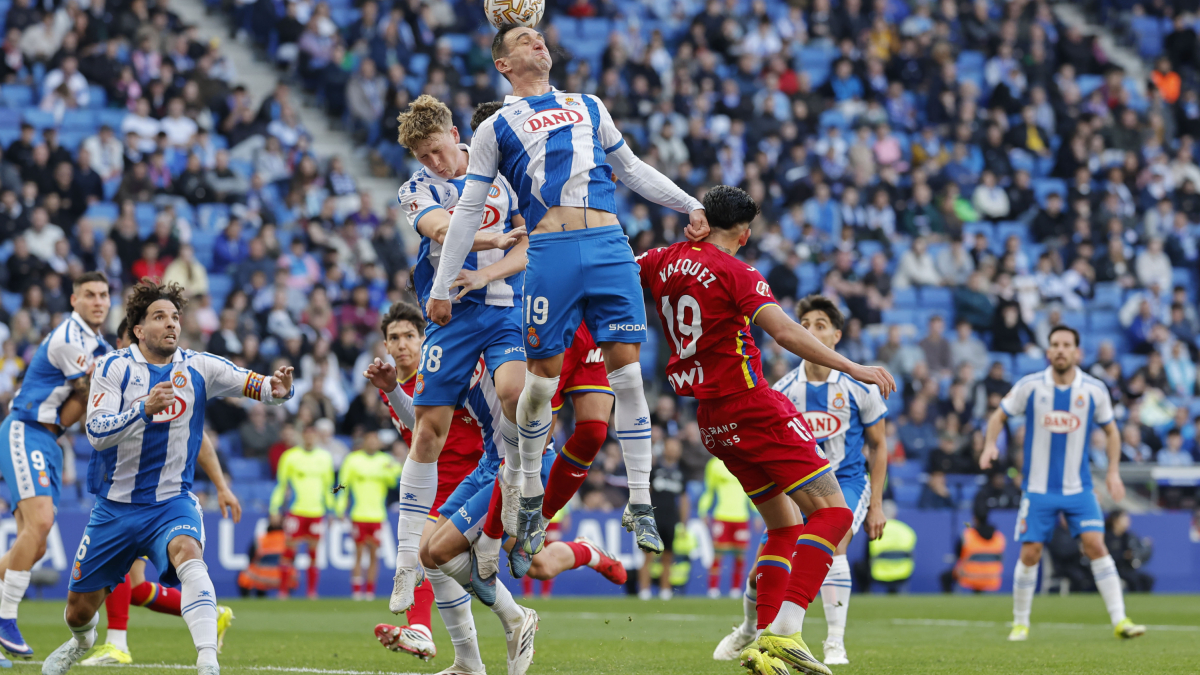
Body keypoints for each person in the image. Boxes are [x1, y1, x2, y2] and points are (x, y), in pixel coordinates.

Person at [426, 25, 713, 585]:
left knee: (628, 378)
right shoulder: (493, 126)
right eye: (525, 40)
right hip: (551, 251)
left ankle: (639, 501)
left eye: (540, 36)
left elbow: (629, 169)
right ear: (503, 65)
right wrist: (440, 287)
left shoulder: (589, 104)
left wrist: (688, 202)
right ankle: (529, 491)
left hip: (609, 245)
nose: (539, 43)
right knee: (540, 384)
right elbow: (467, 212)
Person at [637, 185, 894, 675]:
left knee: (783, 526)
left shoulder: (662, 259)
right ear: (745, 234)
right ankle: (786, 630)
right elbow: (784, 332)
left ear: (702, 219)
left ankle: (759, 638)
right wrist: (853, 366)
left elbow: (618, 267)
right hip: (752, 405)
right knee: (835, 515)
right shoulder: (737, 270)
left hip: (712, 420)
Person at [44, 280, 294, 675]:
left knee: (188, 554)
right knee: (77, 611)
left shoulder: (199, 366)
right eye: (160, 317)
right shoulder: (113, 367)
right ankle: (83, 642)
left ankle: (208, 660)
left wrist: (277, 390)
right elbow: (96, 432)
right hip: (115, 509)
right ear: (139, 329)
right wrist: (142, 409)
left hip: (170, 502)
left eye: (175, 317)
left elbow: (254, 384)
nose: (171, 324)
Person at [366, 303, 624, 675]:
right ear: (386, 346)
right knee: (434, 553)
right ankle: (464, 657)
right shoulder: (436, 366)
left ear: (425, 337)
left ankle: (521, 612)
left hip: (509, 470)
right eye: (395, 338)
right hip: (483, 469)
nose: (404, 344)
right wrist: (392, 390)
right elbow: (422, 426)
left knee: (527, 562)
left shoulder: (498, 343)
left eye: (411, 335)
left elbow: (530, 403)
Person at [388, 94, 530, 613]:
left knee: (516, 395)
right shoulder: (416, 188)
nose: (433, 162)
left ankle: (515, 490)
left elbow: (528, 245)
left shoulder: (505, 171)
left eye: (435, 150)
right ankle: (406, 564)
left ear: (454, 132)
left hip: (503, 308)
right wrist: (492, 237)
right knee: (428, 431)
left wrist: (488, 270)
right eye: (422, 156)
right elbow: (441, 228)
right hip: (448, 315)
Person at [722, 294, 889, 666]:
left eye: (820, 325)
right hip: (795, 487)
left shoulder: (859, 388)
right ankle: (750, 629)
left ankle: (834, 643)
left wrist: (876, 504)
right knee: (760, 571)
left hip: (846, 479)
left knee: (837, 536)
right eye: (805, 325)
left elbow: (879, 447)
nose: (811, 331)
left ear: (836, 337)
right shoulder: (781, 390)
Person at [82, 319, 237, 666]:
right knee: (135, 588)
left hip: (147, 496)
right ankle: (214, 614)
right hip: (117, 487)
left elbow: (196, 439)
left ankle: (117, 643)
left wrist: (222, 485)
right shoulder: (112, 373)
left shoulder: (157, 377)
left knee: (123, 577)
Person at [980, 324, 1146, 642]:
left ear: (1077, 352)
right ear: (1048, 351)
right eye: (1054, 344)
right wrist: (990, 445)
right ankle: (1020, 623)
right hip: (1038, 489)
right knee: (1030, 553)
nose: (1060, 349)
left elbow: (1112, 432)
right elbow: (998, 415)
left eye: (1066, 344)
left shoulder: (1093, 390)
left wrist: (1112, 472)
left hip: (1079, 488)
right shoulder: (1030, 386)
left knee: (1096, 545)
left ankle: (1121, 620)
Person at [0, 272, 111, 662]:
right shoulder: (69, 339)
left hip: (50, 439)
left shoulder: (98, 345)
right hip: (25, 429)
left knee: (36, 541)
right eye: (90, 295)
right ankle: (5, 617)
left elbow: (83, 408)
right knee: (42, 522)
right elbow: (92, 392)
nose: (98, 301)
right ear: (74, 300)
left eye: (103, 295)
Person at [269, 423, 335, 600]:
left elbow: (329, 487)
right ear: (302, 436)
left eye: (312, 435)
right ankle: (283, 591)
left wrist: (331, 510)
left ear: (316, 437)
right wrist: (274, 508)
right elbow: (281, 485)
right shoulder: (290, 457)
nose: (309, 438)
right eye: (306, 434)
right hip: (296, 510)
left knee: (313, 553)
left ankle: (312, 592)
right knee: (289, 552)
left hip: (316, 512)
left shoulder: (324, 458)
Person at [335, 428, 402, 600]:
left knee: (374, 554)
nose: (372, 443)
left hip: (378, 515)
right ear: (364, 442)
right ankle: (357, 591)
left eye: (375, 440)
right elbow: (342, 484)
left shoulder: (385, 460)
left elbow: (394, 480)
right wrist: (340, 507)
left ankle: (370, 591)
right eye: (369, 440)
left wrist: (389, 470)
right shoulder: (353, 460)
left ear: (379, 443)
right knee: (358, 553)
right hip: (359, 514)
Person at [698, 457, 754, 600]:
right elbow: (708, 490)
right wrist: (703, 510)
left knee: (740, 556)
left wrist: (756, 512)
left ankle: (735, 589)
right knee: (717, 554)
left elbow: (751, 489)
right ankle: (713, 589)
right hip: (721, 515)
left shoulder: (745, 461)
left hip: (741, 516)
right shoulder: (714, 464)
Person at [639, 438, 688, 600]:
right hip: (654, 518)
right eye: (671, 447)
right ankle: (644, 591)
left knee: (668, 556)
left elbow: (683, 499)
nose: (674, 451)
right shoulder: (654, 470)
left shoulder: (681, 472)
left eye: (676, 448)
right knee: (648, 555)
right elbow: (647, 493)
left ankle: (665, 590)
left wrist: (683, 522)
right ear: (664, 449)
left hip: (671, 519)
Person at [943, 503, 1006, 593]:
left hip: (970, 575)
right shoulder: (999, 536)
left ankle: (948, 601)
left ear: (975, 519)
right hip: (992, 576)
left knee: (945, 577)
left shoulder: (967, 535)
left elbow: (958, 555)